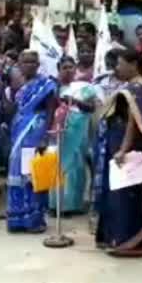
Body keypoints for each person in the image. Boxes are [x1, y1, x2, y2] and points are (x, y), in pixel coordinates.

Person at [93, 49, 142, 257]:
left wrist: (123, 149)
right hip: (122, 141)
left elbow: (136, 122)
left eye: (120, 64)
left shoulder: (136, 87)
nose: (116, 68)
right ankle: (114, 235)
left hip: (132, 146)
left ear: (133, 64)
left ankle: (133, 239)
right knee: (122, 192)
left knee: (127, 193)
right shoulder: (137, 84)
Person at [6, 50, 57, 233]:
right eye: (24, 61)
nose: (28, 65)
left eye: (32, 62)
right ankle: (18, 219)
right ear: (19, 64)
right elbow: (13, 108)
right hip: (18, 129)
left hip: (35, 129)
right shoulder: (17, 84)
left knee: (33, 173)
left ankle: (34, 219)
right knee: (17, 173)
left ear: (38, 64)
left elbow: (52, 109)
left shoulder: (47, 84)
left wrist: (45, 136)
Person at [51, 56, 95, 214]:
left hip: (78, 130)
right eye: (65, 67)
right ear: (59, 69)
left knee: (75, 166)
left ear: (76, 68)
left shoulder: (85, 88)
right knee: (58, 166)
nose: (68, 70)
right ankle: (55, 205)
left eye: (71, 67)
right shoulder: (53, 88)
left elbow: (91, 108)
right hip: (59, 131)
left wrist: (75, 101)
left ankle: (73, 205)